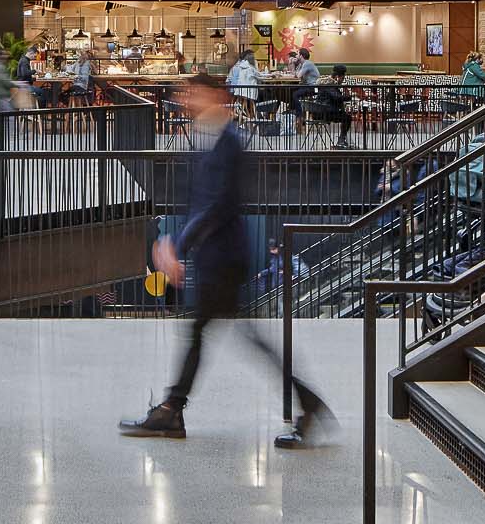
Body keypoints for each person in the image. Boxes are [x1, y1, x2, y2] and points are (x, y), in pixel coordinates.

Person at [119, 73, 330, 446]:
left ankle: (173, 410)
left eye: (194, 92)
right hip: (217, 256)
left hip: (224, 259)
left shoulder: (227, 141)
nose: (187, 98)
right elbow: (199, 201)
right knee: (219, 334)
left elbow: (216, 204)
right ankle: (174, 409)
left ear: (217, 95)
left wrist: (177, 247)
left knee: (216, 334)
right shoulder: (207, 137)